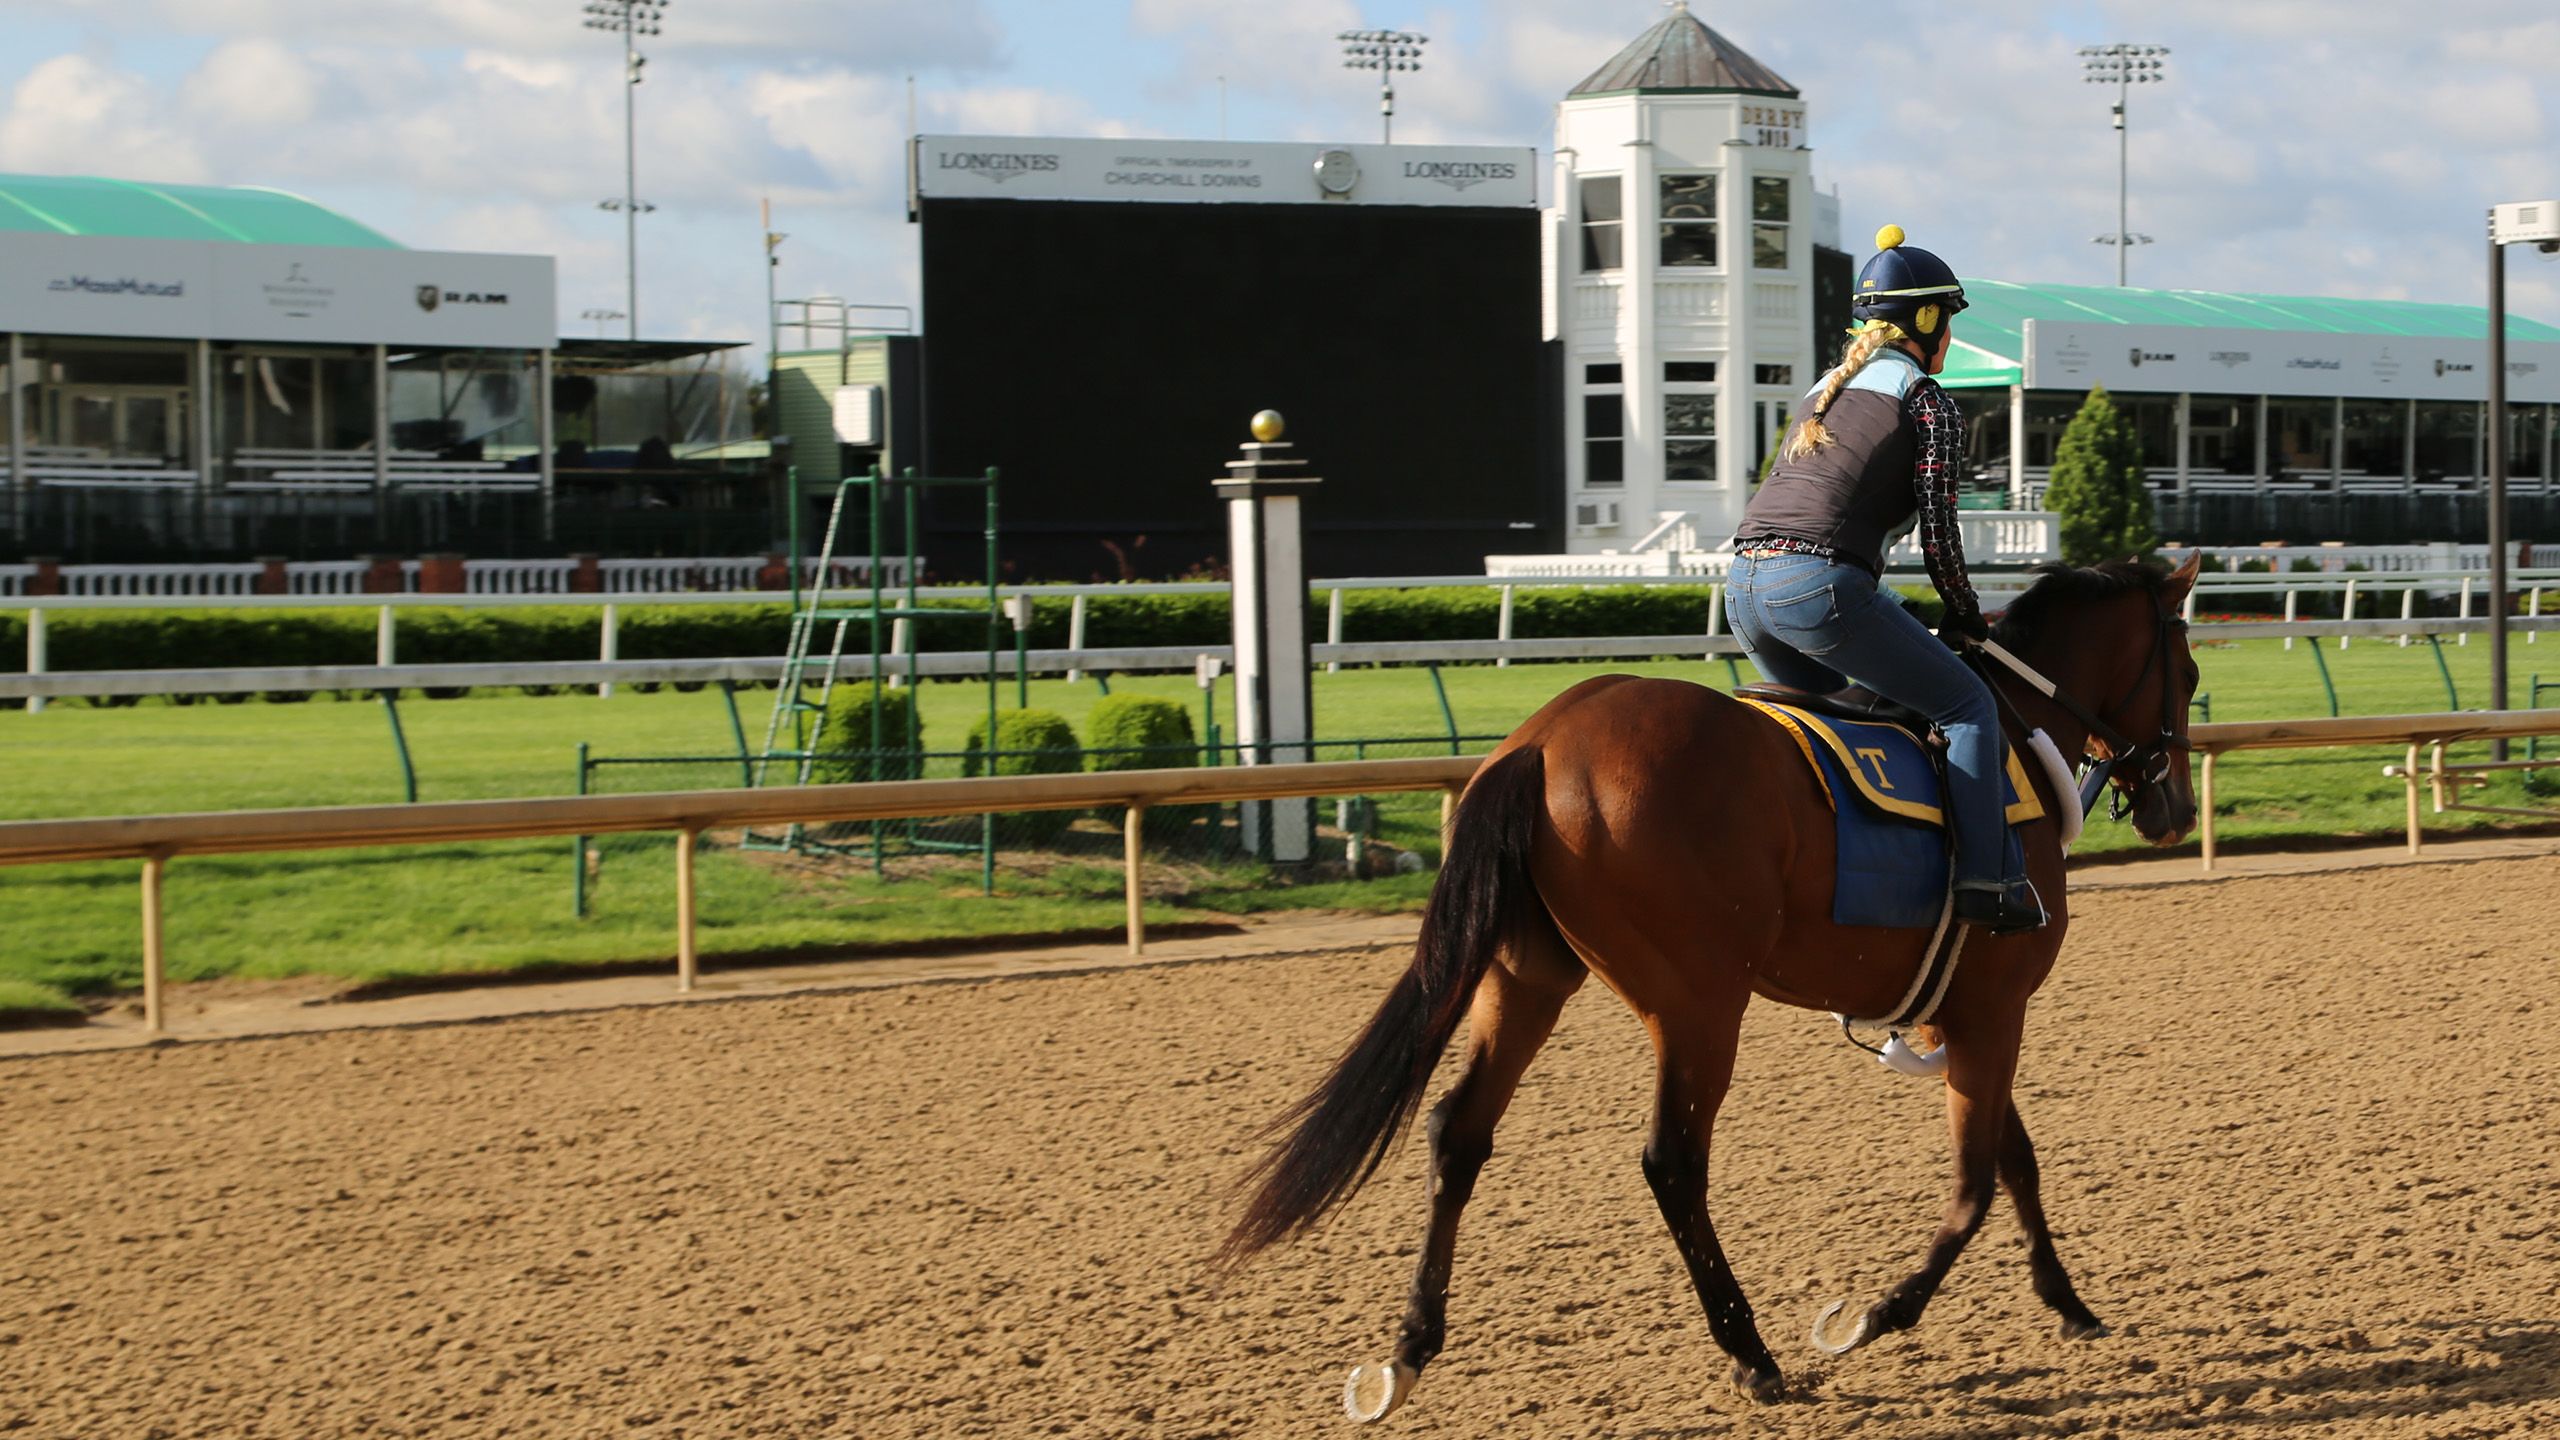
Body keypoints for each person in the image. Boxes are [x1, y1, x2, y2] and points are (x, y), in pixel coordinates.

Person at [1725, 224, 2043, 934]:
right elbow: (1939, 534)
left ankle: (1844, 891)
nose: (1951, 339)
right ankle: (1989, 882)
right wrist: (1963, 614)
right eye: (1950, 322)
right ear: (1927, 322)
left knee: (1837, 731)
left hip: (1742, 592)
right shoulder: (1927, 401)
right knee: (1966, 708)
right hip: (1816, 593)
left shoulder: (1819, 395)